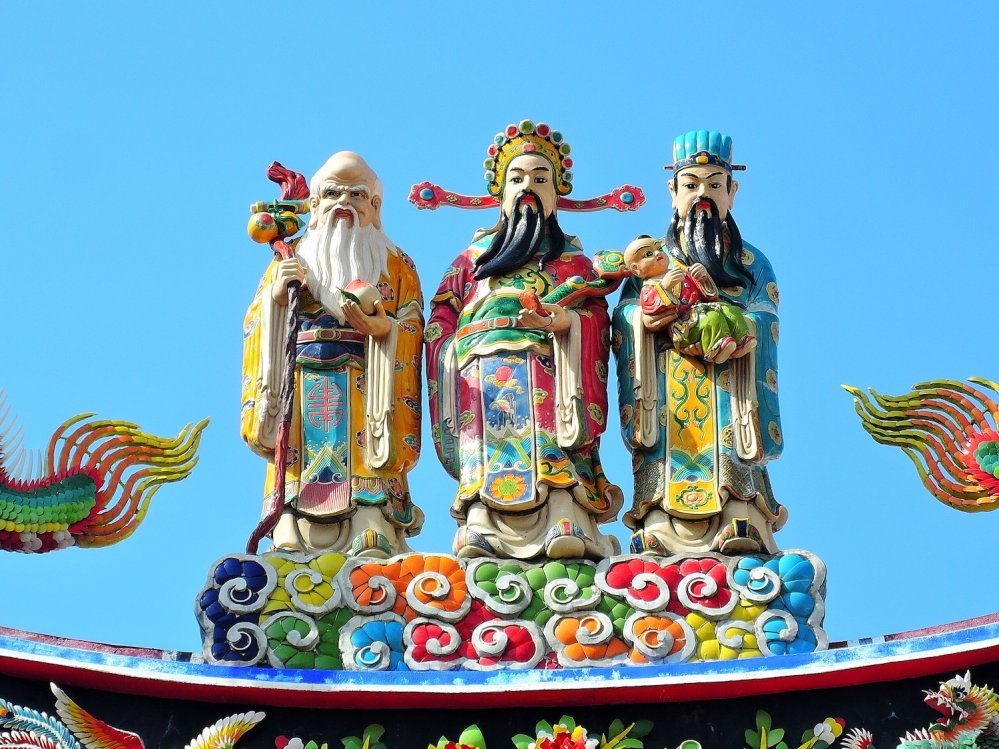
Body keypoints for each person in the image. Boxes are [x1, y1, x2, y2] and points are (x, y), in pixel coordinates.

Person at [425, 121, 621, 560]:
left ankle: (564, 515)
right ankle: (481, 519)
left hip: (549, 368)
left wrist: (567, 323)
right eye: (516, 179)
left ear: (556, 193)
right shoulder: (471, 261)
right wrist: (454, 350)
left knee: (552, 445)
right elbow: (440, 319)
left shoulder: (575, 263)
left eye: (540, 179)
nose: (527, 188)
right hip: (479, 369)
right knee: (485, 453)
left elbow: (595, 316)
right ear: (501, 193)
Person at [241, 151, 424, 557]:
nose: (344, 202)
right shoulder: (291, 257)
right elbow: (255, 322)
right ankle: (288, 523)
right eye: (332, 193)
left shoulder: (396, 264)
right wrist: (277, 297)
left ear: (375, 205)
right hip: (301, 375)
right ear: (315, 203)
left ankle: (371, 521)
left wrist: (385, 330)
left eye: (356, 194)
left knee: (367, 450)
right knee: (296, 452)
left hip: (369, 380)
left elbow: (412, 323)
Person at [613, 130, 787, 555]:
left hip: (730, 380)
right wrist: (645, 321)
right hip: (665, 377)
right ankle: (658, 519)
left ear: (732, 193)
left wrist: (738, 327)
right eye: (691, 185)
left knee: (731, 441)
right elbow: (624, 314)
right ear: (672, 192)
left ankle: (741, 513)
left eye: (714, 185)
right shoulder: (651, 260)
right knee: (666, 448)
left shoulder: (751, 262)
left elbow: (766, 316)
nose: (702, 195)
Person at [623, 235, 756, 364]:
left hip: (702, 309)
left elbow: (709, 295)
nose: (658, 253)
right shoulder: (649, 287)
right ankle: (717, 348)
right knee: (711, 318)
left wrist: (703, 277)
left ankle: (741, 340)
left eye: (659, 248)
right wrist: (664, 287)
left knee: (729, 310)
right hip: (683, 325)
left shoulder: (681, 272)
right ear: (635, 269)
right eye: (648, 254)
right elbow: (650, 307)